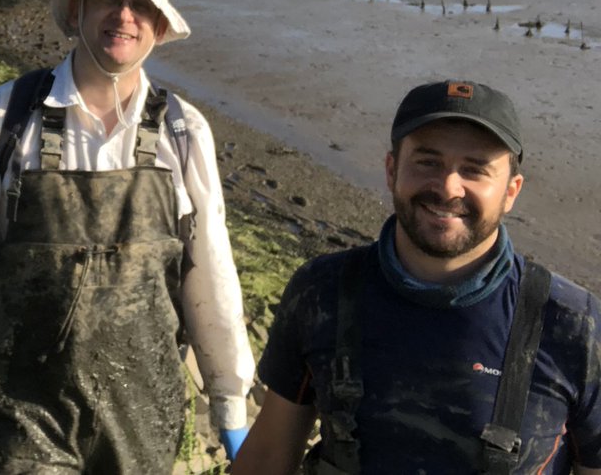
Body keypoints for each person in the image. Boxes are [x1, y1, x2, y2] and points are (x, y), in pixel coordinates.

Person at [0, 0, 256, 474]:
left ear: (158, 28)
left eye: (143, 6)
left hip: (143, 415)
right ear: (77, 11)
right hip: (25, 411)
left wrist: (229, 397)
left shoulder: (182, 132)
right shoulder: (7, 117)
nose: (125, 15)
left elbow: (211, 277)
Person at [232, 79, 601, 475]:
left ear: (511, 191)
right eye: (428, 162)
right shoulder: (322, 293)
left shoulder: (572, 323)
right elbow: (269, 456)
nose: (447, 187)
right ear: (392, 170)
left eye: (475, 170)